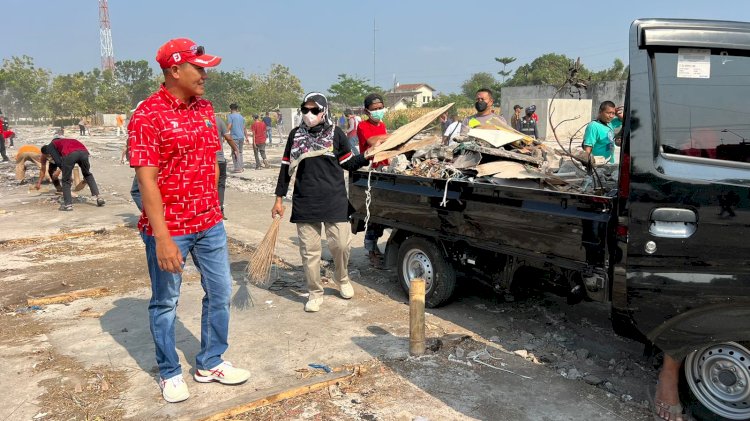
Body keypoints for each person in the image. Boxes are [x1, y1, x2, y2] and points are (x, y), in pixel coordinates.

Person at [128, 37, 249, 404]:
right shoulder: (147, 115)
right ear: (174, 70)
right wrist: (162, 237)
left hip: (209, 223)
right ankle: (168, 371)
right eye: (199, 68)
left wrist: (211, 203)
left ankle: (210, 361)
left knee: (220, 291)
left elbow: (212, 160)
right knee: (166, 302)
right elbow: (146, 179)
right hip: (171, 228)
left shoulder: (204, 108)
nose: (205, 75)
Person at [272, 92, 369, 312]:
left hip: (334, 199)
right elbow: (286, 168)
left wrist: (367, 156)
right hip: (305, 200)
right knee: (309, 251)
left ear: (324, 111)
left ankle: (342, 278)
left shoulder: (336, 133)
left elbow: (348, 163)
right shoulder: (295, 135)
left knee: (341, 245)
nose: (309, 114)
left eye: (314, 110)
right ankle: (315, 292)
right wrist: (279, 198)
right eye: (305, 110)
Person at [356, 93, 390, 267]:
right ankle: (371, 250)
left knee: (384, 215)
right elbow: (372, 141)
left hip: (384, 171)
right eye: (375, 109)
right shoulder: (362, 125)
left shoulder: (383, 125)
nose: (378, 112)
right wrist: (392, 136)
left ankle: (376, 247)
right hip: (371, 173)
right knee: (373, 215)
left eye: (380, 108)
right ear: (366, 110)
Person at [36, 137, 105, 211]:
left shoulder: (50, 146)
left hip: (71, 154)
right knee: (87, 174)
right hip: (84, 153)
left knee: (66, 180)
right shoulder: (66, 141)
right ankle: (99, 197)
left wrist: (62, 172)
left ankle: (68, 205)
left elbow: (58, 161)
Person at [216, 115, 239, 217]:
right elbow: (228, 137)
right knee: (220, 185)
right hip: (219, 159)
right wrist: (235, 149)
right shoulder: (218, 120)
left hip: (204, 161)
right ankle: (220, 209)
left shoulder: (195, 119)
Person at [227, 103, 247, 172]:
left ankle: (238, 168)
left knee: (235, 152)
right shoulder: (241, 116)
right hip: (241, 137)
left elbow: (229, 125)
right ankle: (241, 167)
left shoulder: (230, 116)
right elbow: (244, 128)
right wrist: (246, 137)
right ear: (237, 109)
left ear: (230, 109)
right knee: (240, 152)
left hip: (235, 137)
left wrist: (225, 134)